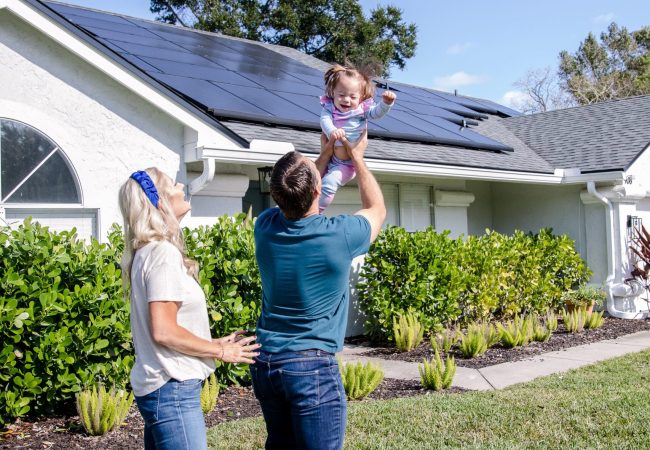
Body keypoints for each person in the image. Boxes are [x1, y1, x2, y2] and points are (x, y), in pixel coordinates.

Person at [251, 132, 386, 449]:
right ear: (317, 190)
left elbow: (298, 191)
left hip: (266, 364)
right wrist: (357, 158)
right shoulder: (339, 234)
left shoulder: (265, 227)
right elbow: (377, 208)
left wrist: (324, 156)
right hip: (310, 368)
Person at [118, 168, 260, 450]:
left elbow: (167, 327)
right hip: (172, 389)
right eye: (173, 184)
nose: (182, 185)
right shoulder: (161, 253)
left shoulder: (146, 252)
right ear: (160, 201)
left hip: (163, 388)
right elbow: (163, 331)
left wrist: (210, 342)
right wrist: (221, 351)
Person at [318, 64, 396, 213]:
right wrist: (332, 131)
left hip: (346, 165)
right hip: (330, 160)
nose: (346, 100)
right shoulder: (329, 108)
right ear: (333, 93)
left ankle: (316, 211)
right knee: (311, 182)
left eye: (353, 97)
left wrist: (386, 104)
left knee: (328, 183)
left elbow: (376, 113)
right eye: (341, 95)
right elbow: (324, 121)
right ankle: (300, 210)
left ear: (360, 98)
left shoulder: (361, 110)